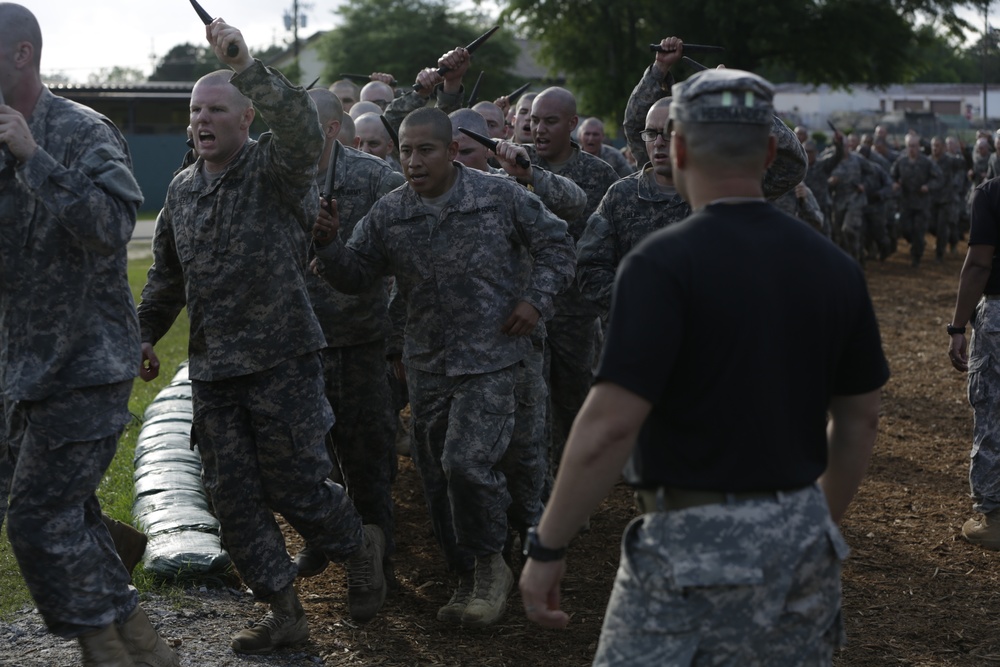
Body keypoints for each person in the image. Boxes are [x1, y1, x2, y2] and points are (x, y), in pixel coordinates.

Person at [519, 68, 889, 665]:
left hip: (692, 545)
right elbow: (861, 419)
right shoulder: (834, 266)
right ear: (769, 152)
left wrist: (547, 544)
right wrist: (813, 521)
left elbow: (610, 425)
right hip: (803, 540)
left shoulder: (662, 264)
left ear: (682, 148)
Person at [136, 19, 386, 655]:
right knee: (233, 499)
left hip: (282, 361)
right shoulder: (181, 192)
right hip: (216, 372)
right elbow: (166, 281)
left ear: (247, 117)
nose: (202, 120)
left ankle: (357, 548)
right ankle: (284, 612)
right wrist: (142, 335)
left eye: (217, 108)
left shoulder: (275, 167)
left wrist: (244, 61)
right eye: (195, 110)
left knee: (299, 483)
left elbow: (302, 128)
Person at [312, 107, 576, 628]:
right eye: (406, 151)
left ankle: (488, 569)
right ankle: (465, 575)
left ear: (452, 151)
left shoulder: (497, 197)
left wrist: (535, 301)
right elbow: (357, 274)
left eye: (425, 150)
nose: (412, 161)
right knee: (436, 478)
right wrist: (328, 243)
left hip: (493, 360)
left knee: (465, 463)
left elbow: (558, 245)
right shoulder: (391, 212)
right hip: (428, 364)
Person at [0, 4, 178, 665]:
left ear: (21, 55)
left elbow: (110, 228)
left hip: (85, 364)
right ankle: (144, 644)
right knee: (64, 510)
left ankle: (105, 646)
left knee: (39, 518)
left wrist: (33, 156)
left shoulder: (81, 131)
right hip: (18, 367)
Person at [291, 88, 406, 584]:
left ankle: (381, 563)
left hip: (360, 344)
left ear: (332, 128)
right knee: (306, 460)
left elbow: (408, 255)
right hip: (295, 345)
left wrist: (399, 336)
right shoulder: (274, 177)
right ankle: (326, 536)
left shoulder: (375, 177)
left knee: (367, 461)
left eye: (301, 125)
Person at [522, 87, 620, 482]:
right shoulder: (514, 165)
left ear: (572, 124)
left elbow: (614, 242)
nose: (538, 130)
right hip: (522, 312)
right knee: (530, 405)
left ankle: (574, 484)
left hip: (575, 315)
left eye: (550, 121)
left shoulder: (599, 176)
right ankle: (539, 492)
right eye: (533, 121)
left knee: (572, 403)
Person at [949, 176, 1000, 550]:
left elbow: (980, 263)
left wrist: (957, 326)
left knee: (992, 413)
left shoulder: (991, 192)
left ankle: (995, 520)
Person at [891, 134, 943, 268]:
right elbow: (891, 176)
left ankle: (916, 257)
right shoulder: (900, 162)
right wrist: (895, 184)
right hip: (905, 203)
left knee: (919, 231)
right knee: (905, 229)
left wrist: (928, 186)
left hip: (922, 204)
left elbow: (939, 178)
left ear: (918, 147)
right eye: (909, 146)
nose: (911, 149)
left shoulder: (926, 162)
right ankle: (915, 243)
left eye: (914, 146)